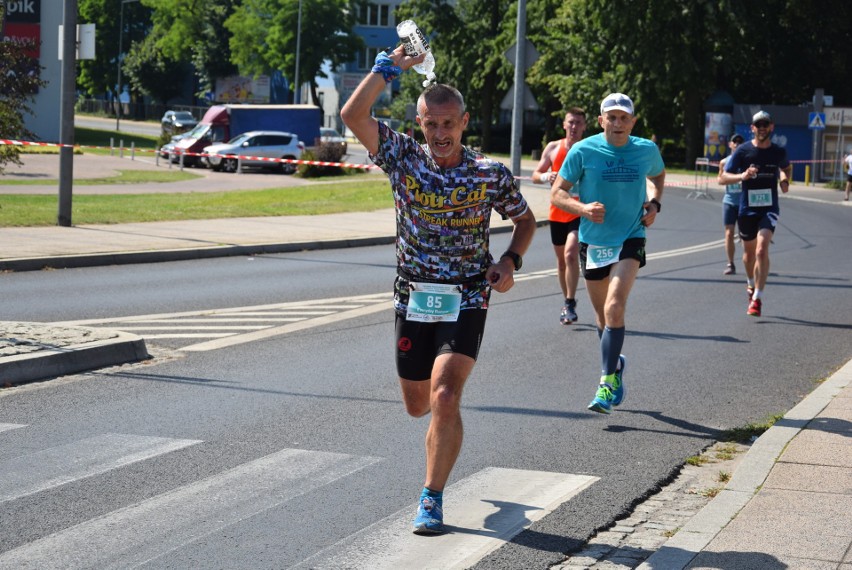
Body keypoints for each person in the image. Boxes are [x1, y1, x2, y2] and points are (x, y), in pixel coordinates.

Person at [340, 46, 536, 534]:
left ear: (464, 121)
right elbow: (352, 113)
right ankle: (444, 433)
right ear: (419, 122)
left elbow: (526, 220)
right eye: (431, 124)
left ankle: (431, 496)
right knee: (418, 404)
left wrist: (510, 260)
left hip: (467, 292)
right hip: (413, 293)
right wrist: (390, 68)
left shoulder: (489, 172)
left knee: (446, 395)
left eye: (449, 124)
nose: (440, 135)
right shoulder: (403, 157)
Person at [551, 93, 665, 414]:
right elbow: (558, 193)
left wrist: (654, 203)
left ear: (633, 121)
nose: (617, 123)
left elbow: (658, 176)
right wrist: (582, 208)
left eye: (623, 118)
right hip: (593, 242)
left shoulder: (646, 150)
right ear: (601, 121)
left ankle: (605, 383)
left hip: (631, 236)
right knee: (603, 318)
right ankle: (615, 365)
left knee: (615, 306)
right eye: (611, 117)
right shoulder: (583, 150)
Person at [719, 110, 791, 317]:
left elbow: (787, 168)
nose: (761, 128)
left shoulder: (778, 151)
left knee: (761, 250)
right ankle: (750, 284)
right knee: (749, 256)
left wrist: (785, 180)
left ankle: (757, 298)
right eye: (758, 125)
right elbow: (723, 178)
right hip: (747, 209)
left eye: (765, 124)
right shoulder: (742, 151)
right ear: (752, 128)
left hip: (769, 208)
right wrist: (743, 175)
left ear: (771, 127)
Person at [532, 108, 587, 324]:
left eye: (578, 123)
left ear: (584, 126)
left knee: (571, 254)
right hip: (557, 212)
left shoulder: (588, 149)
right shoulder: (554, 148)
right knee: (562, 262)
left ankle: (571, 301)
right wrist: (546, 175)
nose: (574, 127)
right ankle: (567, 301)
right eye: (571, 122)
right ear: (564, 124)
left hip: (579, 210)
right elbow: (536, 175)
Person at [717, 133, 745, 275]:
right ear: (730, 144)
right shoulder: (724, 162)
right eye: (735, 142)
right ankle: (731, 263)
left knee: (746, 235)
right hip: (729, 201)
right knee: (729, 233)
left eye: (740, 142)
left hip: (744, 202)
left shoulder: (747, 161)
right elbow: (720, 180)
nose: (737, 144)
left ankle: (749, 260)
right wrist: (737, 178)